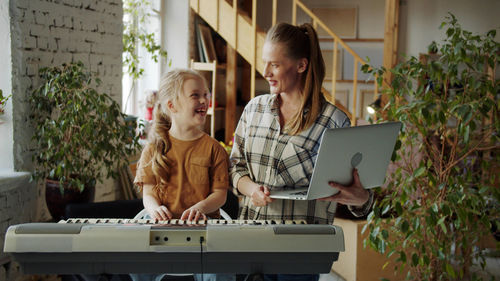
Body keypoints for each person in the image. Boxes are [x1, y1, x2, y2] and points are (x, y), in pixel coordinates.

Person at [229, 23, 374, 281]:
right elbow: (235, 167)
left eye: (274, 64)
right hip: (250, 240)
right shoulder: (254, 110)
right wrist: (252, 190)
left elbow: (356, 196)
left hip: (301, 251)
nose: (265, 72)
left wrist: (361, 198)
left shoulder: (333, 121)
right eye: (265, 63)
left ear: (301, 65)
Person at [133, 68, 235, 281]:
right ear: (172, 106)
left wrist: (200, 208)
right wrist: (154, 209)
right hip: (162, 232)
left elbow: (220, 195)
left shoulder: (214, 148)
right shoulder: (153, 148)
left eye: (206, 94)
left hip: (205, 233)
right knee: (131, 261)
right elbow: (148, 194)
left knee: (224, 268)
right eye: (195, 95)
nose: (203, 100)